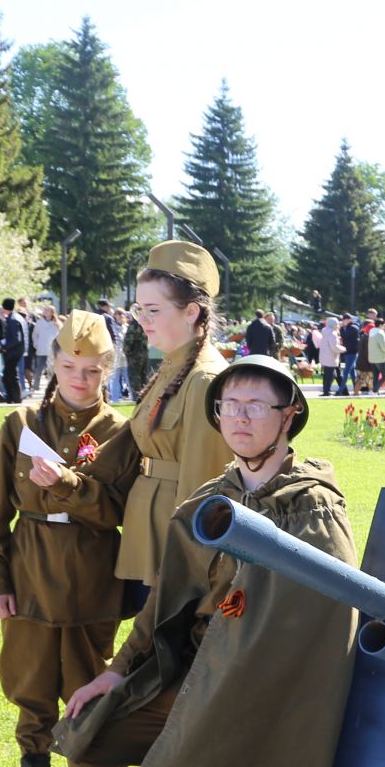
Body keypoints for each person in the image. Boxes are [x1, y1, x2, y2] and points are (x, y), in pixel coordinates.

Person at [30, 356, 358, 767]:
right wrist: (117, 673)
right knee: (92, 729)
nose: (240, 417)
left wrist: (228, 670)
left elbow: (320, 619)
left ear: (289, 416)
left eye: (256, 405)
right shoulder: (209, 503)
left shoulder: (312, 508)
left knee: (173, 762)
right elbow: (163, 604)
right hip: (190, 677)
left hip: (263, 696)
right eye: (230, 406)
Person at [0, 311, 131, 767]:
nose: (78, 380)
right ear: (53, 365)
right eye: (68, 367)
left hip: (90, 579)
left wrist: (67, 483)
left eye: (90, 370)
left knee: (87, 691)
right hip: (30, 574)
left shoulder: (120, 432)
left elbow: (115, 510)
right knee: (30, 687)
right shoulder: (22, 424)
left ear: (107, 370)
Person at [109, 242, 236, 593]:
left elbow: (203, 485)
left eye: (153, 310)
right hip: (148, 529)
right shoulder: (172, 368)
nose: (142, 322)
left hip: (174, 539)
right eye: (139, 310)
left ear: (191, 312)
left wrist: (189, 565)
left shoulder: (204, 379)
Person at [0, 298, 29, 405]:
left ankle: (15, 398)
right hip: (17, 351)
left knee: (10, 376)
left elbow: (16, 338)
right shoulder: (17, 317)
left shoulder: (12, 320)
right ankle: (12, 397)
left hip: (12, 352)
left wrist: (4, 347)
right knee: (8, 375)